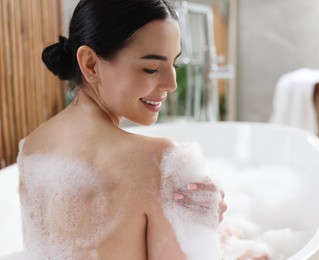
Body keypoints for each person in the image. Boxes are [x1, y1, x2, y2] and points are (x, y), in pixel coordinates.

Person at [17, 0, 227, 259]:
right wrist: (206, 227)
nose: (171, 84)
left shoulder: (32, 146)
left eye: (174, 64)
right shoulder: (159, 161)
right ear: (90, 63)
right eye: (151, 68)